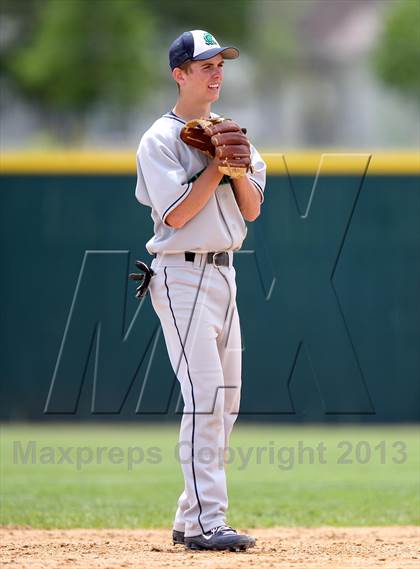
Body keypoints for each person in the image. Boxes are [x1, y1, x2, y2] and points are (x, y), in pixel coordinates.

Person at [134, 29, 266, 551]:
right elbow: (177, 213)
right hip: (180, 274)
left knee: (225, 403)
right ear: (179, 74)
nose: (217, 73)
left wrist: (234, 167)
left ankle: (189, 518)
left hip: (225, 275)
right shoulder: (159, 140)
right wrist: (215, 167)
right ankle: (212, 521)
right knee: (205, 399)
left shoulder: (236, 135)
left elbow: (251, 210)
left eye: (221, 65)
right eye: (205, 65)